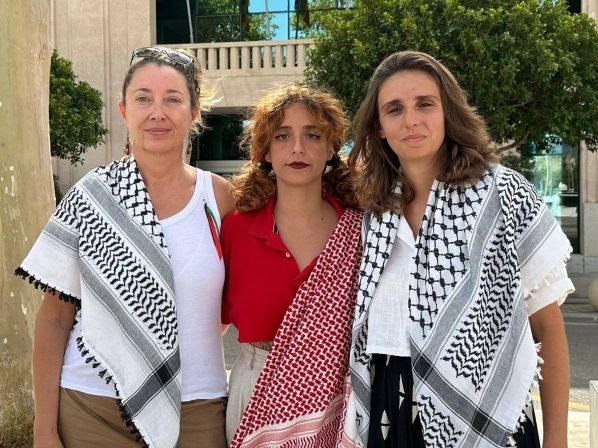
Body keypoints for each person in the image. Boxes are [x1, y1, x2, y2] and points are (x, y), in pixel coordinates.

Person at [344, 51, 572, 448]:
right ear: (379, 127)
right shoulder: (372, 211)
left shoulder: (503, 195)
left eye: (425, 104)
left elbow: (548, 329)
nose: (411, 120)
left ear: (448, 112)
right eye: (394, 109)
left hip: (488, 411)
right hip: (388, 409)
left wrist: (557, 441)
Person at [16, 46, 235, 448]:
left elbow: (232, 303)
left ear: (194, 112)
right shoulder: (90, 197)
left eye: (173, 99)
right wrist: (44, 429)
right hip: (91, 409)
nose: (158, 112)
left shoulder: (220, 199)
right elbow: (55, 319)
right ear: (124, 110)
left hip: (197, 407)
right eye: (143, 99)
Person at [221, 84, 363, 447]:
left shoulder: (359, 231)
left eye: (312, 135)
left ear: (331, 148)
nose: (298, 148)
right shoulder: (236, 230)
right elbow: (213, 325)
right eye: (283, 136)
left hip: (339, 395)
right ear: (266, 152)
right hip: (257, 388)